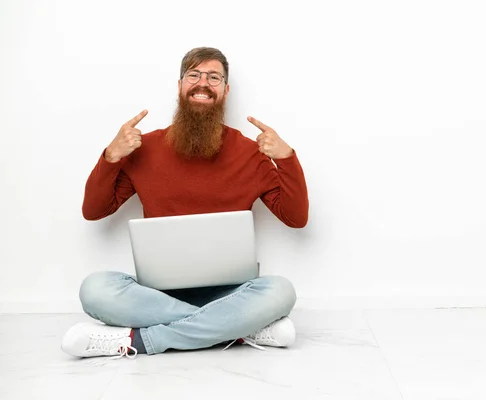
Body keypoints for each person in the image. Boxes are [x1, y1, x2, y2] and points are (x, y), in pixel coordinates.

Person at [61, 47, 309, 359]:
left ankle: (136, 341)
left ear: (226, 91)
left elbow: (296, 218)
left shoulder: (250, 153)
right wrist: (111, 156)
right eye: (194, 75)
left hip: (232, 292)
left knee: (280, 292)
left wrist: (286, 159)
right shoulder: (145, 148)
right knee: (94, 289)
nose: (203, 83)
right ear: (180, 86)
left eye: (214, 77)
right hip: (156, 294)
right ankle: (241, 330)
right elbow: (94, 211)